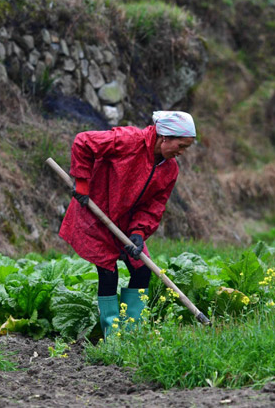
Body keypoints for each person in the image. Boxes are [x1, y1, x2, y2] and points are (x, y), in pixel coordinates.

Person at [58, 111, 196, 337]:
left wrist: (139, 232)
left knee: (142, 272)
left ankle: (132, 332)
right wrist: (82, 182)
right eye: (180, 146)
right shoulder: (129, 141)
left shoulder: (170, 169)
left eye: (185, 148)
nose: (180, 153)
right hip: (97, 216)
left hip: (126, 225)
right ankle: (112, 336)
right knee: (108, 274)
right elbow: (83, 142)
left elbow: (154, 205)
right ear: (165, 138)